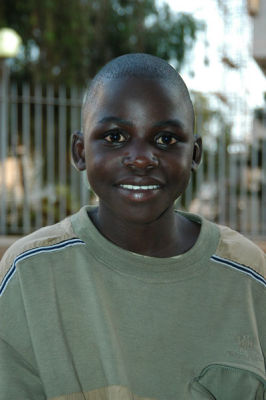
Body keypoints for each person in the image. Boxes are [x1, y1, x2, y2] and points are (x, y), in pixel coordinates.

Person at [0, 53, 265, 400]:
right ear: (80, 152)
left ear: (195, 154)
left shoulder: (246, 275)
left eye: (166, 139)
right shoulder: (29, 273)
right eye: (114, 137)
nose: (141, 158)